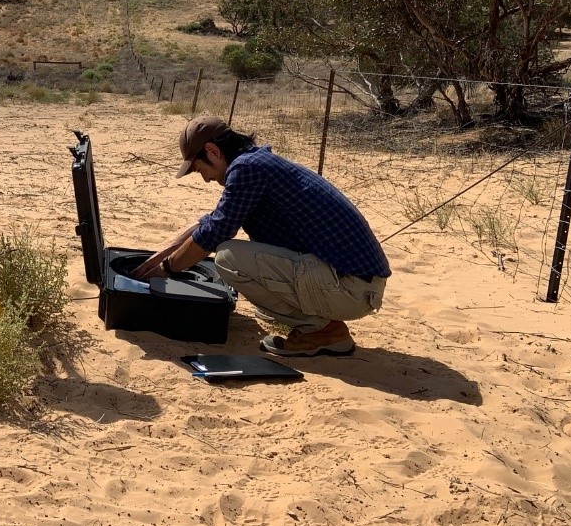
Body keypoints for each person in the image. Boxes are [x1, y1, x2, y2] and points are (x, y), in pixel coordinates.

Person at [134, 115, 389, 357]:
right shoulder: (254, 163)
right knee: (249, 271)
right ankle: (316, 320)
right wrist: (154, 260)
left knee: (227, 258)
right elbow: (209, 222)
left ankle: (323, 330)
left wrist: (167, 269)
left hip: (352, 288)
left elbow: (214, 233)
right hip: (356, 282)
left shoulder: (247, 170)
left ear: (213, 152)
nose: (206, 179)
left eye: (200, 169)